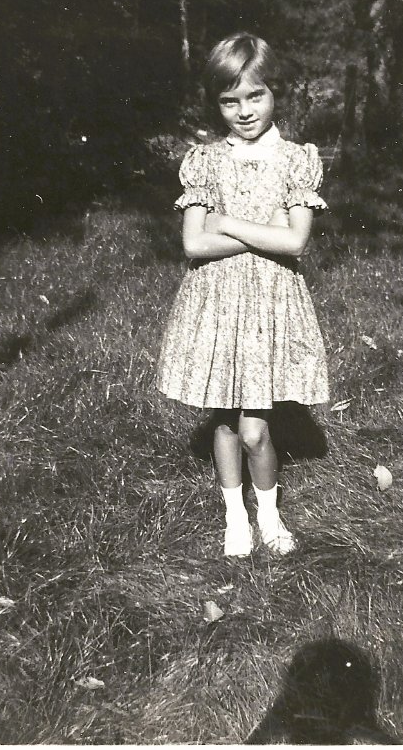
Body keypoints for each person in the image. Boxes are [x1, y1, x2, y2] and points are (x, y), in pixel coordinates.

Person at [156, 32, 329, 557]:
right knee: (225, 419)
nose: (245, 111)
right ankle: (236, 518)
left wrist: (226, 223)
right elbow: (194, 243)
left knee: (255, 429)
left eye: (256, 96)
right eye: (230, 101)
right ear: (216, 103)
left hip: (271, 303)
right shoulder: (205, 161)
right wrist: (262, 229)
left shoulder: (296, 160)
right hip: (215, 304)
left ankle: (269, 516)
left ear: (276, 92)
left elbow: (294, 242)